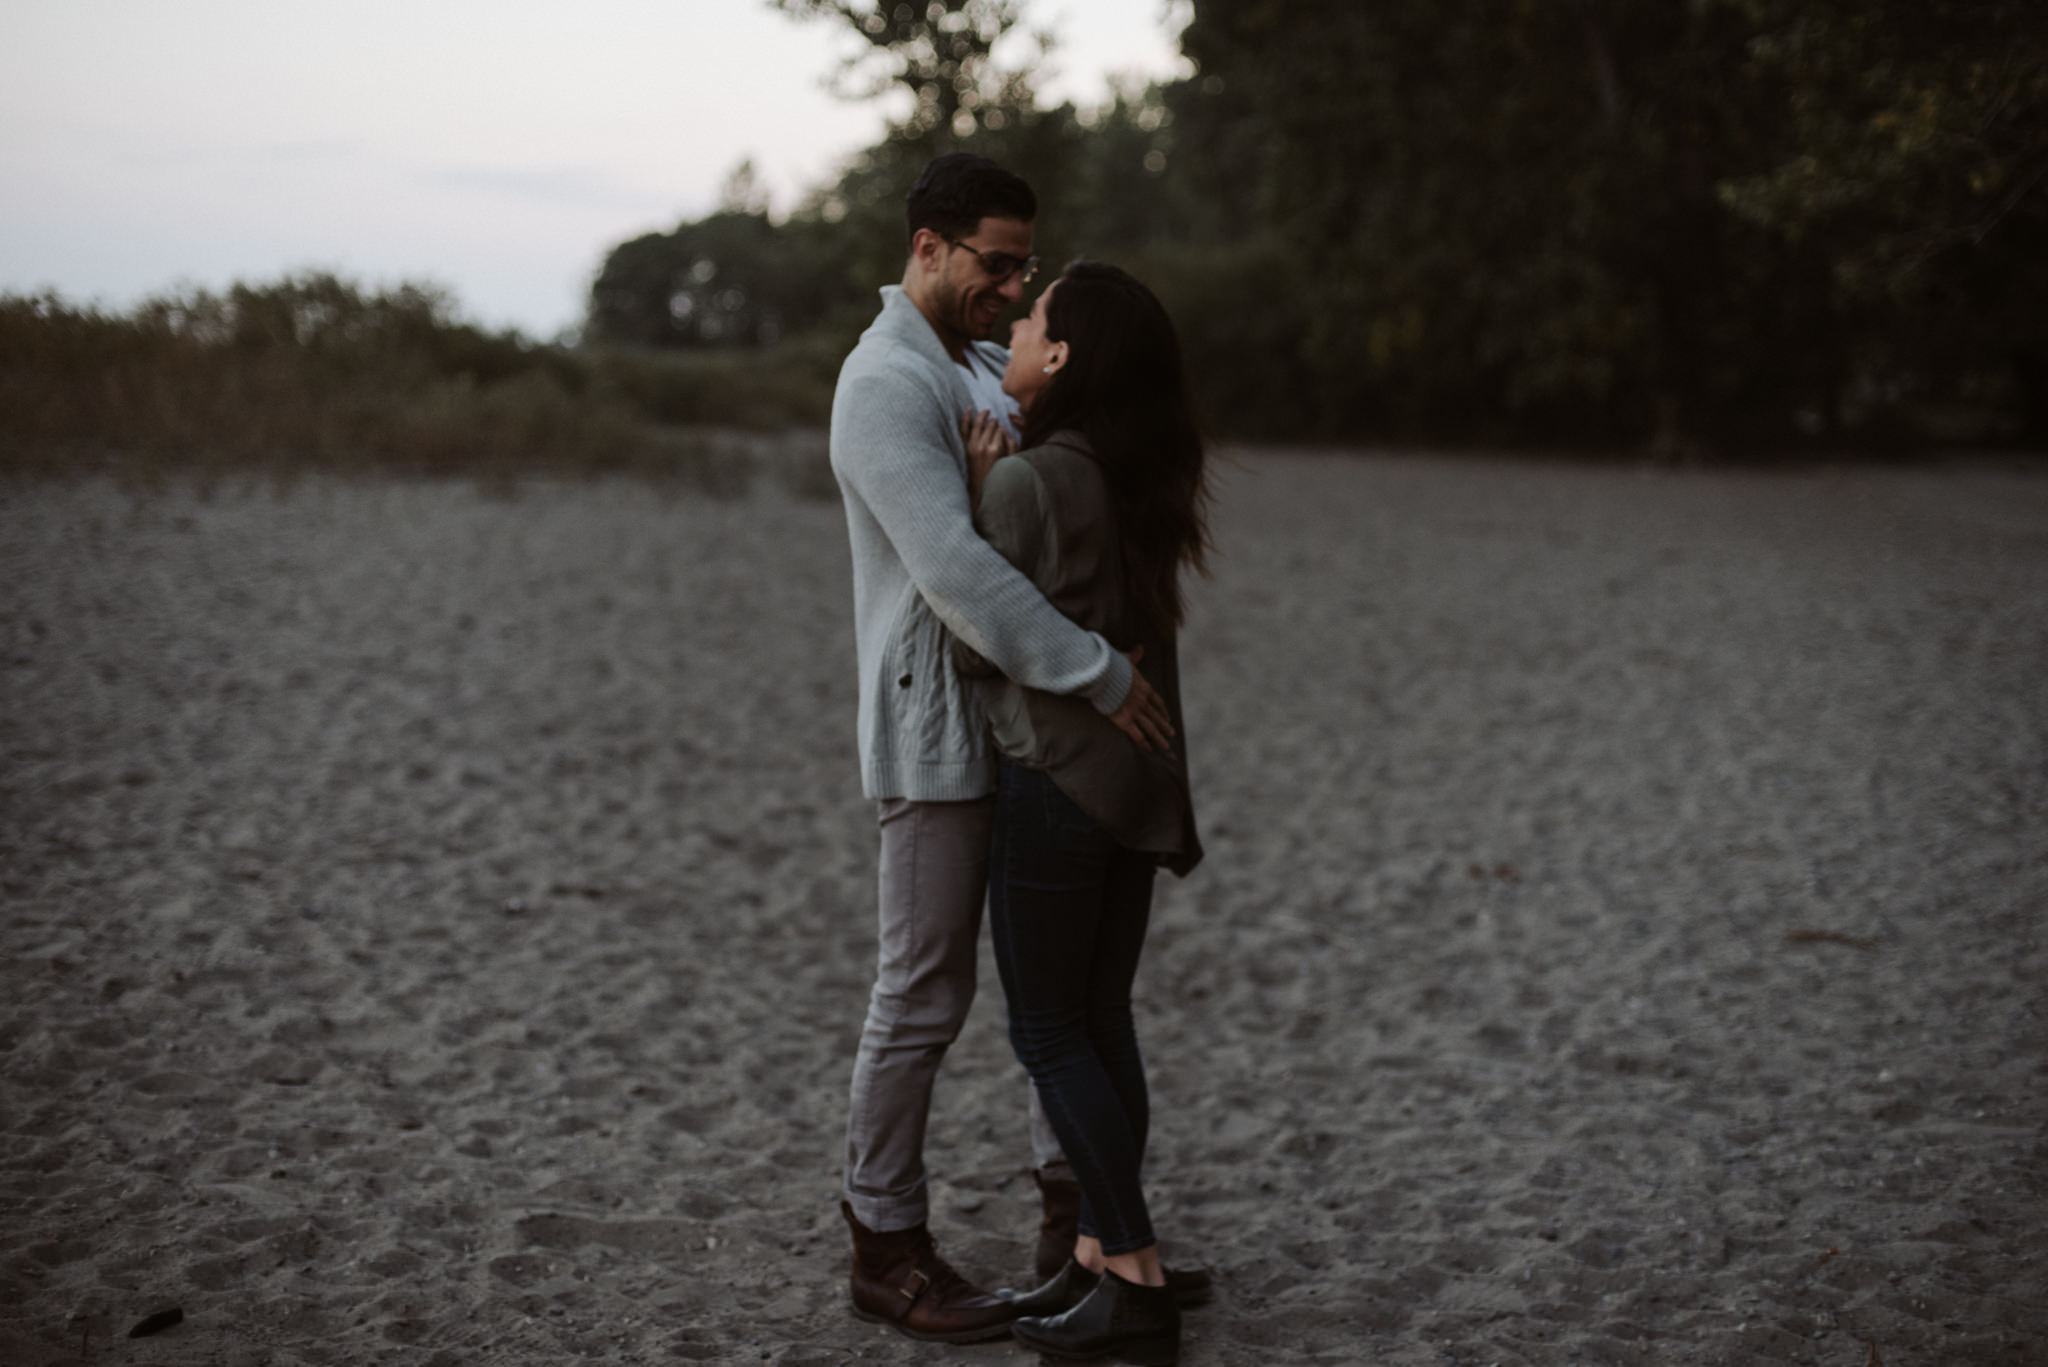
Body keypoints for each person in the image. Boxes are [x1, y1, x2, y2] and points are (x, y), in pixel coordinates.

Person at [826, 153, 1176, 1345]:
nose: (1011, 284)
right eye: (996, 261)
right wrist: (1099, 670)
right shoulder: (883, 385)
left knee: (1058, 988)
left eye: (1024, 266)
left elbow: (1050, 495)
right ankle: (884, 1242)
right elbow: (960, 569)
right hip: (936, 729)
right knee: (923, 992)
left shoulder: (978, 362)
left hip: (1020, 728)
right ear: (926, 246)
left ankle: (1085, 1231)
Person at [953, 262, 1211, 1366]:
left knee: (1044, 1030)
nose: (1015, 321)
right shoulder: (1132, 475)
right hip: (1131, 786)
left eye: (1034, 316)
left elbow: (976, 638)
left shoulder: (1028, 484)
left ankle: (1136, 1271)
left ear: (1056, 359)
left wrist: (977, 495)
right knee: (1102, 1020)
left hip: (1054, 781)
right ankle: (1105, 1251)